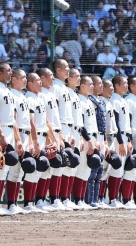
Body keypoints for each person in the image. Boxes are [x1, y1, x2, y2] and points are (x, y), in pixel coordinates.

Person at [0, 63, 24, 216]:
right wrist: (1, 135)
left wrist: (17, 139)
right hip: (0, 132)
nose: (10, 73)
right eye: (8, 70)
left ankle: (2, 204)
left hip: (9, 131)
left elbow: (14, 119)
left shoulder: (7, 91)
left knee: (5, 170)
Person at [7, 68, 34, 215]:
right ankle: (11, 204)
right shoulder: (12, 95)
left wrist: (29, 140)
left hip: (25, 133)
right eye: (22, 77)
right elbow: (14, 119)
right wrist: (18, 139)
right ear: (14, 79)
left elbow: (29, 121)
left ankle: (15, 203)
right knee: (14, 171)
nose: (25, 80)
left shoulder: (22, 96)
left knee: (20, 172)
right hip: (17, 134)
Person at [22, 72, 51, 213]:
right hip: (35, 137)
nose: (41, 83)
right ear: (30, 83)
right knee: (32, 170)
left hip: (42, 136)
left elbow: (45, 121)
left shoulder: (39, 98)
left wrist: (49, 139)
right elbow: (31, 122)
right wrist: (34, 142)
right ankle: (28, 203)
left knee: (41, 169)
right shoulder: (29, 98)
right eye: (38, 80)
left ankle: (35, 201)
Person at [49, 59, 76, 211]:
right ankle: (54, 199)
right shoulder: (55, 87)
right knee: (57, 164)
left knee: (67, 164)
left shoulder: (65, 88)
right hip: (59, 128)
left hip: (67, 128)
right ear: (58, 70)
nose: (68, 69)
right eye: (65, 67)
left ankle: (63, 198)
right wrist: (57, 133)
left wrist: (70, 133)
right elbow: (53, 112)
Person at [34, 67, 60, 212]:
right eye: (50, 75)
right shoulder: (41, 95)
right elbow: (45, 119)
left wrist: (57, 136)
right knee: (42, 167)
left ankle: (43, 199)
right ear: (42, 78)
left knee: (50, 169)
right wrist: (50, 138)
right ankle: (37, 200)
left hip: (52, 133)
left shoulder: (49, 94)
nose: (53, 78)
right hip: (43, 133)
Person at [108, 75, 132, 209]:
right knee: (115, 169)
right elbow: (116, 123)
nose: (126, 85)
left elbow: (126, 123)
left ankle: (115, 198)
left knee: (121, 170)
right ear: (117, 85)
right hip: (118, 138)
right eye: (124, 83)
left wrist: (128, 140)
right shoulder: (115, 100)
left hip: (125, 136)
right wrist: (121, 142)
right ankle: (112, 199)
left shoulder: (123, 100)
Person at [61, 69, 83, 210]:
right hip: (65, 128)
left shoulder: (74, 94)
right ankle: (61, 198)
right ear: (69, 78)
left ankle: (67, 198)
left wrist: (78, 136)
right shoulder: (65, 91)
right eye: (77, 76)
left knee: (72, 167)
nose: (79, 78)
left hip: (74, 130)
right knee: (65, 166)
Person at [86, 75, 109, 209]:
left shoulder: (99, 100)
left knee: (99, 170)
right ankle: (89, 199)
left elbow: (103, 123)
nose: (102, 86)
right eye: (99, 84)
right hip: (92, 135)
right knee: (93, 169)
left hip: (100, 136)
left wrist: (104, 140)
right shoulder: (89, 100)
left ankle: (96, 198)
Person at [75, 76, 98, 209]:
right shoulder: (79, 100)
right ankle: (78, 200)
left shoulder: (89, 101)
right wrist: (88, 140)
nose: (92, 86)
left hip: (92, 137)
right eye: (89, 84)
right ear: (82, 85)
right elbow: (81, 124)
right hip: (84, 138)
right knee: (81, 169)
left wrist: (95, 140)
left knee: (86, 171)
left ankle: (82, 200)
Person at [124, 76, 136, 209]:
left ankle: (132, 199)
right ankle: (126, 199)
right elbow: (128, 120)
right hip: (133, 135)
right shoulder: (129, 101)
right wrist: (130, 139)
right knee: (130, 168)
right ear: (131, 86)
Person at [97, 79, 117, 208]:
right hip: (106, 136)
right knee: (102, 168)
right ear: (103, 88)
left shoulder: (108, 102)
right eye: (110, 86)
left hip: (112, 136)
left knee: (107, 170)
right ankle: (98, 197)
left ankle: (102, 197)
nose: (112, 89)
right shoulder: (100, 102)